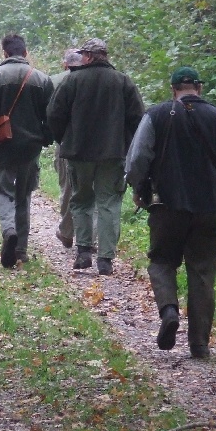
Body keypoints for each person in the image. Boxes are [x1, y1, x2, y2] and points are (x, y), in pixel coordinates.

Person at [125, 66, 216, 359]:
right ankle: (199, 344)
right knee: (202, 272)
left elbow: (137, 159)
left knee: (162, 261)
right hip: (210, 208)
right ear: (199, 88)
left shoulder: (155, 115)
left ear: (173, 90)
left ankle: (169, 310)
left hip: (166, 205)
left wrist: (138, 187)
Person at [47, 38, 144, 275]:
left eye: (83, 55)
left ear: (89, 56)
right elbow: (138, 119)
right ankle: (105, 259)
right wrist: (127, 145)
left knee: (81, 199)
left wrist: (64, 139)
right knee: (109, 203)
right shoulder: (123, 81)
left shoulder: (72, 80)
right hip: (113, 154)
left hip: (78, 153)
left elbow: (54, 114)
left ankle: (83, 252)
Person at [0, 34, 54, 268]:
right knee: (24, 195)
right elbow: (51, 116)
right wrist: (45, 138)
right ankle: (21, 250)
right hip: (31, 148)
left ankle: (9, 230)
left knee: (2, 190)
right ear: (25, 53)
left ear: (5, 53)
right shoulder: (42, 80)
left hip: (3, 145)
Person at [49, 49, 86, 248]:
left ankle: (66, 231)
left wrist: (56, 137)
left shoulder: (54, 81)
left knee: (67, 186)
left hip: (65, 141)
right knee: (91, 190)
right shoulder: (93, 80)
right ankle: (90, 237)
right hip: (93, 143)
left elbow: (49, 113)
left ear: (65, 64)